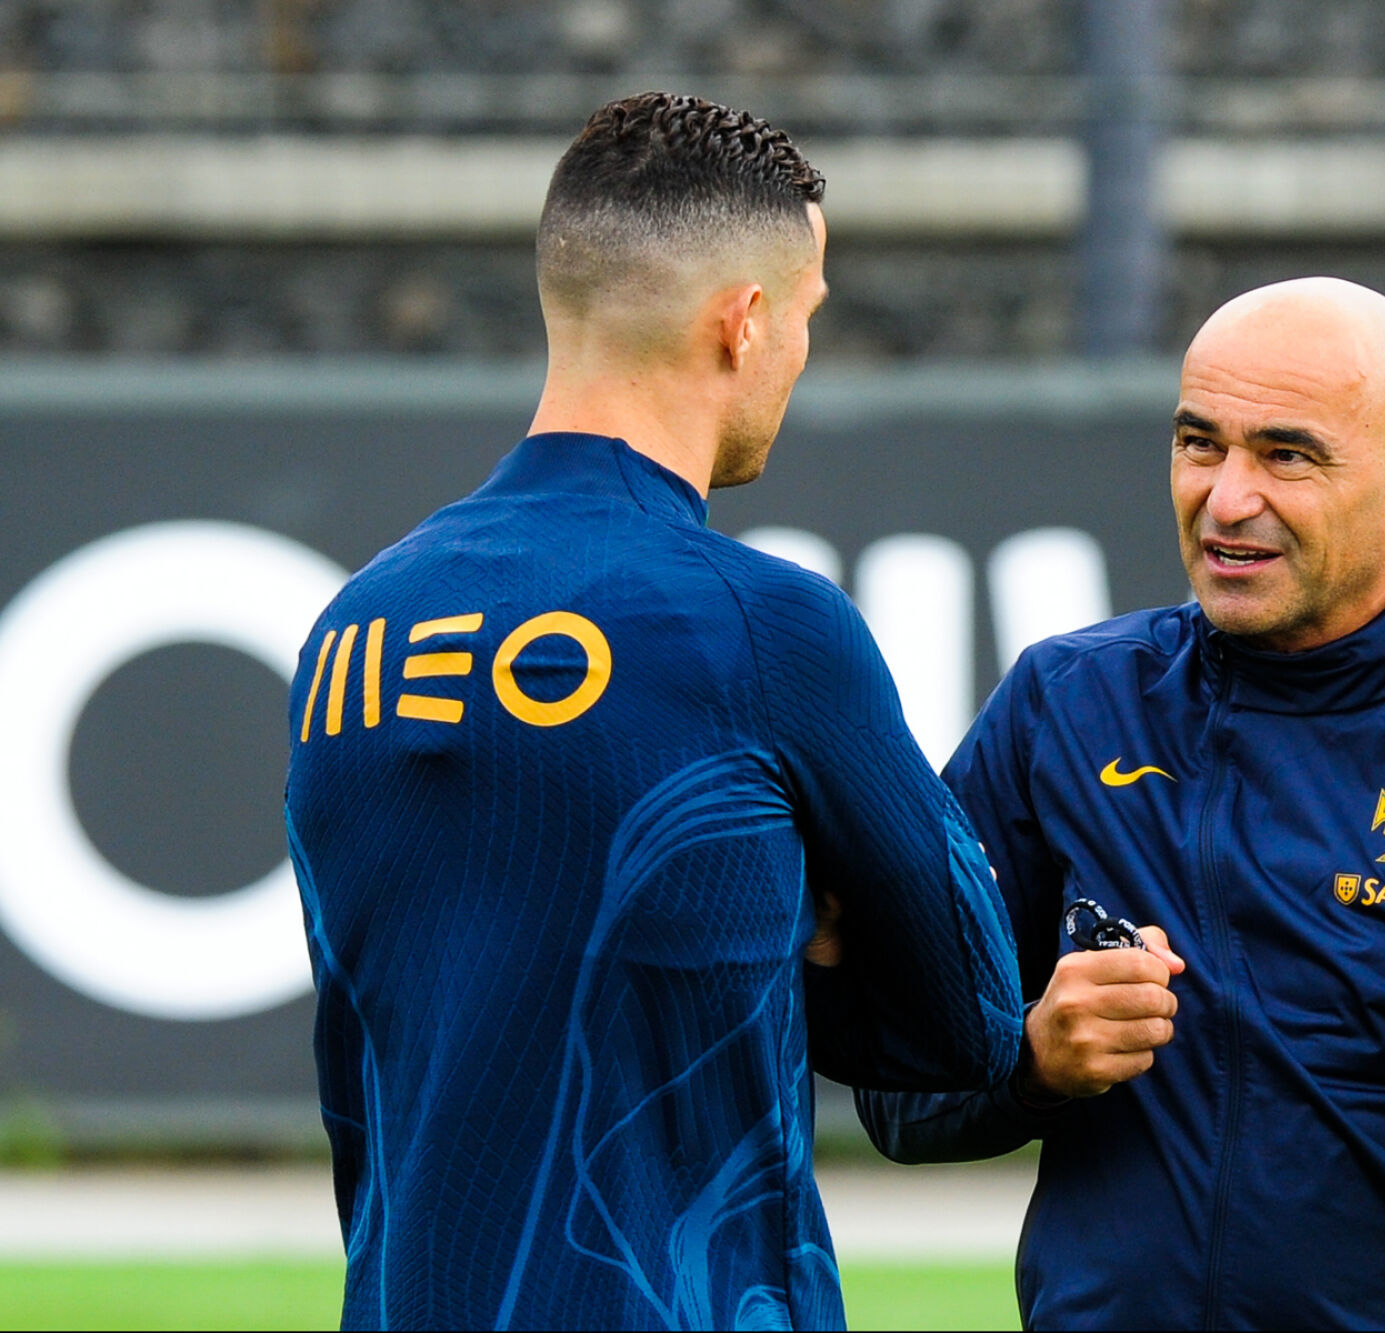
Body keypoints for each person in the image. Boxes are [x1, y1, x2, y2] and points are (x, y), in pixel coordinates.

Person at [285, 93, 1022, 1331]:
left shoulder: (352, 628)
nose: (799, 353)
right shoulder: (758, 624)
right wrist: (807, 915)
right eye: (807, 316)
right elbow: (974, 1026)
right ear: (744, 322)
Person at [858, 278, 1385, 1329]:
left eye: (1286, 455)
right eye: (1198, 443)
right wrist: (1029, 1059)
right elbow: (898, 1077)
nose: (1225, 498)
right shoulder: (1065, 704)